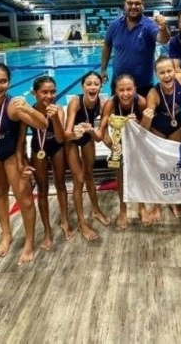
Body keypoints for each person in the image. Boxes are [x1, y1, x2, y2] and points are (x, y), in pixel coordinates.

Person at [0, 63, 47, 265]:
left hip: (12, 155)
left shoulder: (13, 105)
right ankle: (6, 235)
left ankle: (29, 242)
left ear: (9, 83)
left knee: (25, 199)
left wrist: (29, 109)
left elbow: (43, 125)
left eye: (3, 81)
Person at [23, 76, 74, 250]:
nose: (49, 96)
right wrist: (22, 159)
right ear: (34, 93)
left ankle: (65, 220)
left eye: (52, 92)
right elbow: (20, 138)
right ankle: (47, 230)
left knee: (60, 184)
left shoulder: (58, 109)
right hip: (38, 148)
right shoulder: (29, 111)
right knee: (42, 189)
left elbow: (60, 138)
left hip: (56, 147)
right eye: (44, 92)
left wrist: (55, 119)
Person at [141, 56, 181, 222]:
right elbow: (144, 129)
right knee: (158, 167)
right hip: (158, 130)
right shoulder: (153, 94)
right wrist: (146, 117)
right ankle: (156, 204)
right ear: (156, 75)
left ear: (175, 71)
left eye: (169, 71)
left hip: (176, 129)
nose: (167, 75)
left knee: (173, 166)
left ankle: (172, 200)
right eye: (162, 73)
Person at [100, 0, 171, 97]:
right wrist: (103, 69)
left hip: (143, 86)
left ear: (143, 5)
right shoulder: (115, 25)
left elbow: (163, 39)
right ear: (125, 4)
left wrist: (163, 28)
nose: (133, 6)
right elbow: (107, 44)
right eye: (130, 3)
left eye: (137, 3)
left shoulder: (149, 25)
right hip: (119, 84)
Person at [65, 71, 110, 241]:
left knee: (89, 174)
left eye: (96, 84)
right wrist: (74, 132)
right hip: (71, 140)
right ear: (82, 86)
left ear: (100, 87)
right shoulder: (75, 102)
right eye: (89, 84)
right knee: (79, 179)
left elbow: (99, 137)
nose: (92, 87)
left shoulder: (103, 103)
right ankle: (82, 222)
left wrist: (91, 131)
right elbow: (66, 133)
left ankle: (96, 210)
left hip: (88, 136)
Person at [97, 74, 146, 228]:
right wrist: (112, 147)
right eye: (121, 90)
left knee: (140, 175)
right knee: (120, 177)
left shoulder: (141, 102)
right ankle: (123, 209)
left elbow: (148, 129)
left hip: (138, 143)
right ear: (116, 91)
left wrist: (138, 123)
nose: (125, 94)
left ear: (135, 89)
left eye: (129, 89)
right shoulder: (110, 104)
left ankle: (142, 206)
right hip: (119, 143)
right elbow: (103, 130)